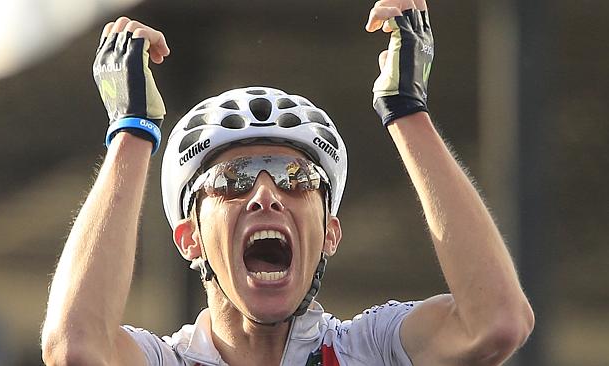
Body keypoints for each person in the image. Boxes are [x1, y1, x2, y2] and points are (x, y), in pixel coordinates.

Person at [41, 0, 534, 365]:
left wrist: (408, 111)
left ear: (331, 232)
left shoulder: (371, 349)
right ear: (189, 239)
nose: (264, 196)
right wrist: (131, 131)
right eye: (231, 180)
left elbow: (496, 322)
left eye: (295, 178)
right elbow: (74, 347)